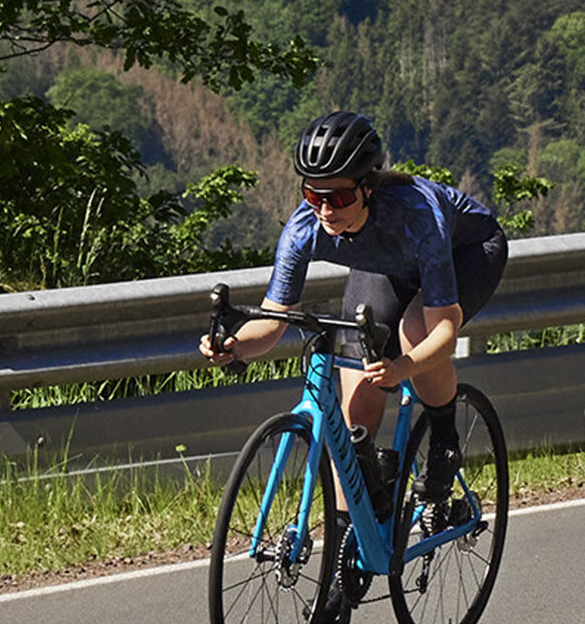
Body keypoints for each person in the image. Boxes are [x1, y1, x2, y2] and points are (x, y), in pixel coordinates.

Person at [201, 110, 509, 512]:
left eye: (339, 198)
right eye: (314, 197)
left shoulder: (416, 216)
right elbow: (273, 319)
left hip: (466, 253)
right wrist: (233, 345)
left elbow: (444, 333)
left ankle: (444, 445)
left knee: (414, 333)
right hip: (385, 265)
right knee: (356, 396)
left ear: (367, 189)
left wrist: (402, 370)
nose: (326, 211)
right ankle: (353, 528)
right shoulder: (303, 229)